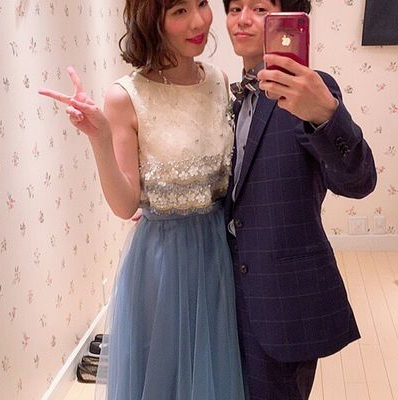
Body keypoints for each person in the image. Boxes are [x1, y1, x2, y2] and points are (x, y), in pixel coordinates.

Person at [39, 0, 245, 398]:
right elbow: (125, 204)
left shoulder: (218, 81)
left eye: (202, 4)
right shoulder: (126, 96)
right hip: (162, 265)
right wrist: (100, 138)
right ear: (151, 21)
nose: (199, 21)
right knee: (164, 379)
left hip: (219, 253)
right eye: (179, 11)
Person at [223, 0, 377, 399]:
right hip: (225, 288)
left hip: (283, 296)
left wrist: (326, 115)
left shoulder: (309, 90)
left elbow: (359, 181)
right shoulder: (230, 99)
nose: (242, 20)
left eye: (259, 8)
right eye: (234, 7)